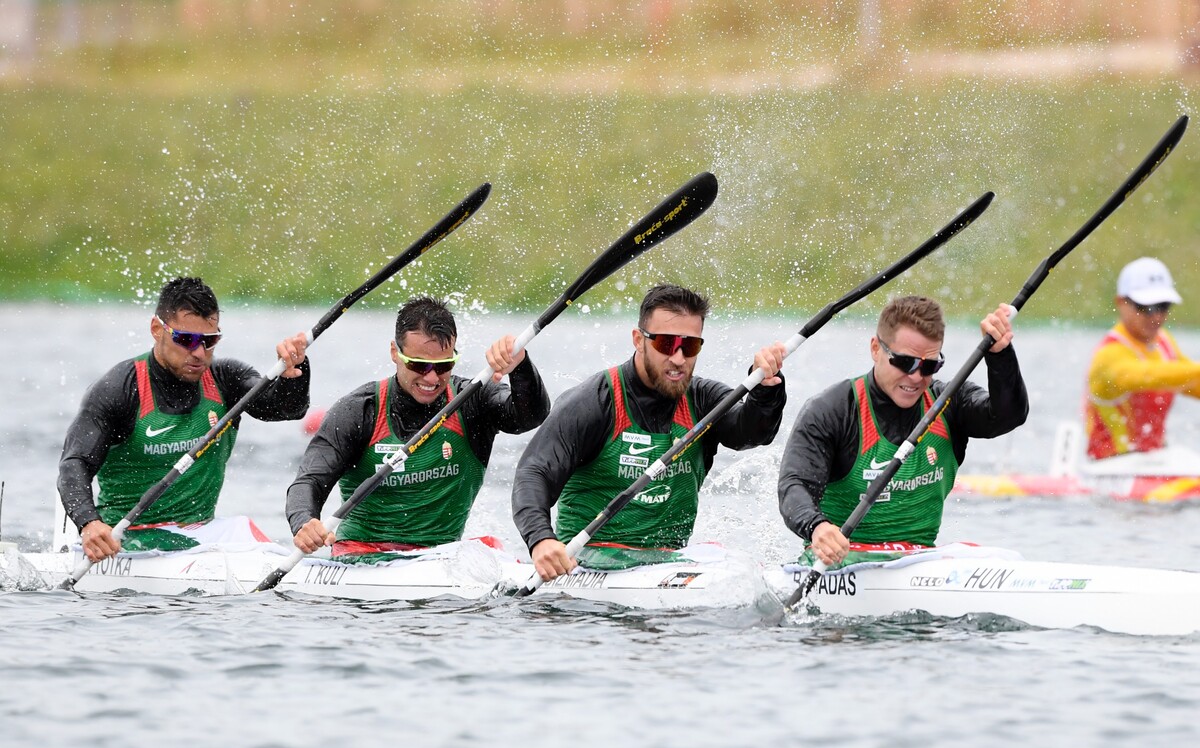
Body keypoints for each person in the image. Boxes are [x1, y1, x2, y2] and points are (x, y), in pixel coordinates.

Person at [512, 284, 787, 581]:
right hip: (589, 562)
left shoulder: (704, 401)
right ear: (638, 340)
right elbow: (534, 472)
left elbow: (750, 433)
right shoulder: (594, 401)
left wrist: (765, 390)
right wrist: (541, 540)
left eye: (690, 346)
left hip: (666, 562)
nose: (679, 358)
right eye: (667, 344)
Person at [59, 276, 311, 562]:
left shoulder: (226, 378)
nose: (199, 353)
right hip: (129, 537)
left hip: (202, 532)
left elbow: (287, 409)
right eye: (186, 340)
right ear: (157, 329)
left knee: (249, 532)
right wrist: (89, 523)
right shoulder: (120, 389)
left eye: (209, 340)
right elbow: (74, 463)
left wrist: (295, 369)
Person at [286, 296, 551, 561]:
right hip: (362, 557)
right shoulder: (359, 410)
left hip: (441, 558)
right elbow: (309, 480)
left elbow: (529, 417)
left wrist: (521, 367)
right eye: (418, 365)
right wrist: (304, 521)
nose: (432, 378)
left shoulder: (472, 401)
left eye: (443, 366)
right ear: (394, 352)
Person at [778, 295, 1027, 566]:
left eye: (930, 366)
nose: (916, 377)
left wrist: (1000, 354)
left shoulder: (948, 403)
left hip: (917, 562)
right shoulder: (833, 411)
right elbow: (794, 485)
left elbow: (1007, 416)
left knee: (1005, 557)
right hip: (842, 564)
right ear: (876, 349)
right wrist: (818, 527)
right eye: (905, 362)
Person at [1084, 257, 1200, 460]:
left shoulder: (1165, 342)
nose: (1156, 317)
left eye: (1163, 306)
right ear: (1121, 302)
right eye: (1146, 307)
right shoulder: (1108, 354)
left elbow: (1192, 382)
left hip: (1155, 461)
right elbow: (1146, 375)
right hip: (1110, 465)